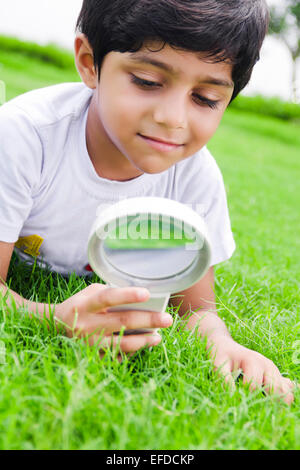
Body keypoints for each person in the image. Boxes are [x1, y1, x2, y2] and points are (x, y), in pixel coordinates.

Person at [0, 0, 295, 404]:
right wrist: (50, 318)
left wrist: (223, 344)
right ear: (90, 63)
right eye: (146, 81)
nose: (173, 118)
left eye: (206, 98)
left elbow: (195, 310)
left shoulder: (195, 176)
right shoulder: (24, 139)